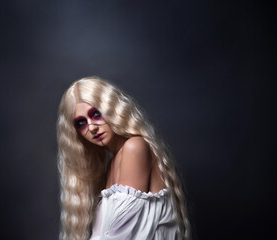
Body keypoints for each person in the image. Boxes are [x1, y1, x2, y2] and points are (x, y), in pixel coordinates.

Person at [57, 76, 190, 240]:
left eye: (96, 114)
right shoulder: (112, 164)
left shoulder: (134, 147)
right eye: (81, 123)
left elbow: (121, 235)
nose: (91, 127)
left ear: (112, 109)